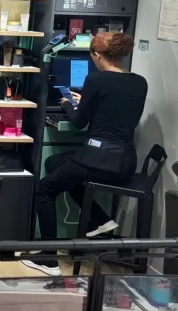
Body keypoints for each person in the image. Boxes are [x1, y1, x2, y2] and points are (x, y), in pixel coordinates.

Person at [23, 32, 148, 276]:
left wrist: (67, 104)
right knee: (55, 163)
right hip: (125, 162)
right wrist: (87, 101)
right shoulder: (139, 82)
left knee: (44, 189)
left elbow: (79, 122)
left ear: (97, 55)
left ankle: (48, 259)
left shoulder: (96, 79)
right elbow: (115, 110)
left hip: (98, 161)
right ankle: (100, 219)